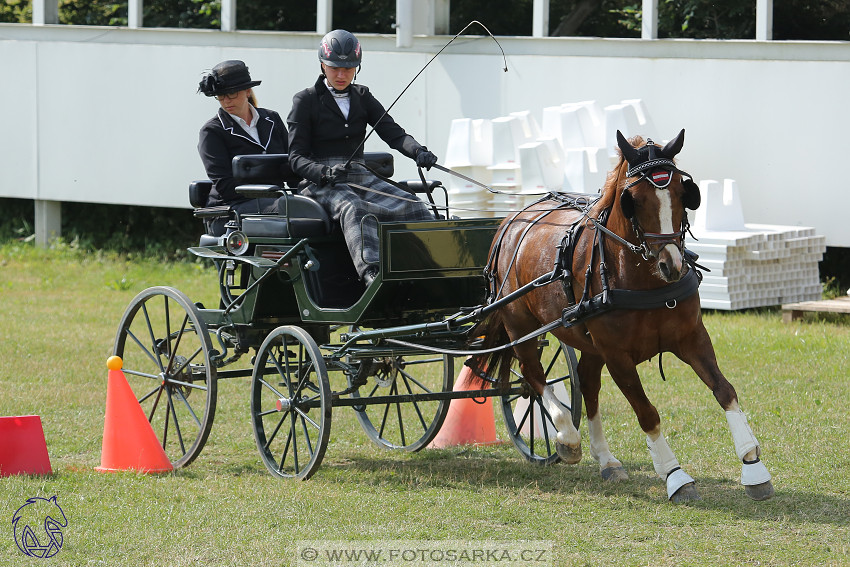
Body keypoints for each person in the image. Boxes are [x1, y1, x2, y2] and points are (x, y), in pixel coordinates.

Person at [287, 29, 438, 286]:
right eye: (335, 68)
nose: (342, 75)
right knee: (354, 208)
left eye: (349, 68)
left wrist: (418, 151)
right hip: (321, 182)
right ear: (323, 64)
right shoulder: (306, 100)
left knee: (413, 204)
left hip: (360, 174)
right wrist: (323, 173)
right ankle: (372, 273)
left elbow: (394, 134)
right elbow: (296, 157)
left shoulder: (362, 96)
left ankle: (430, 266)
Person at [197, 60, 297, 236]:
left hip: (275, 202)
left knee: (313, 206)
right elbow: (225, 185)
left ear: (248, 91)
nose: (226, 101)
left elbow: (292, 166)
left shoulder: (272, 119)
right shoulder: (211, 132)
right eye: (220, 96)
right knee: (291, 208)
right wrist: (275, 196)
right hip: (229, 210)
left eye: (232, 94)